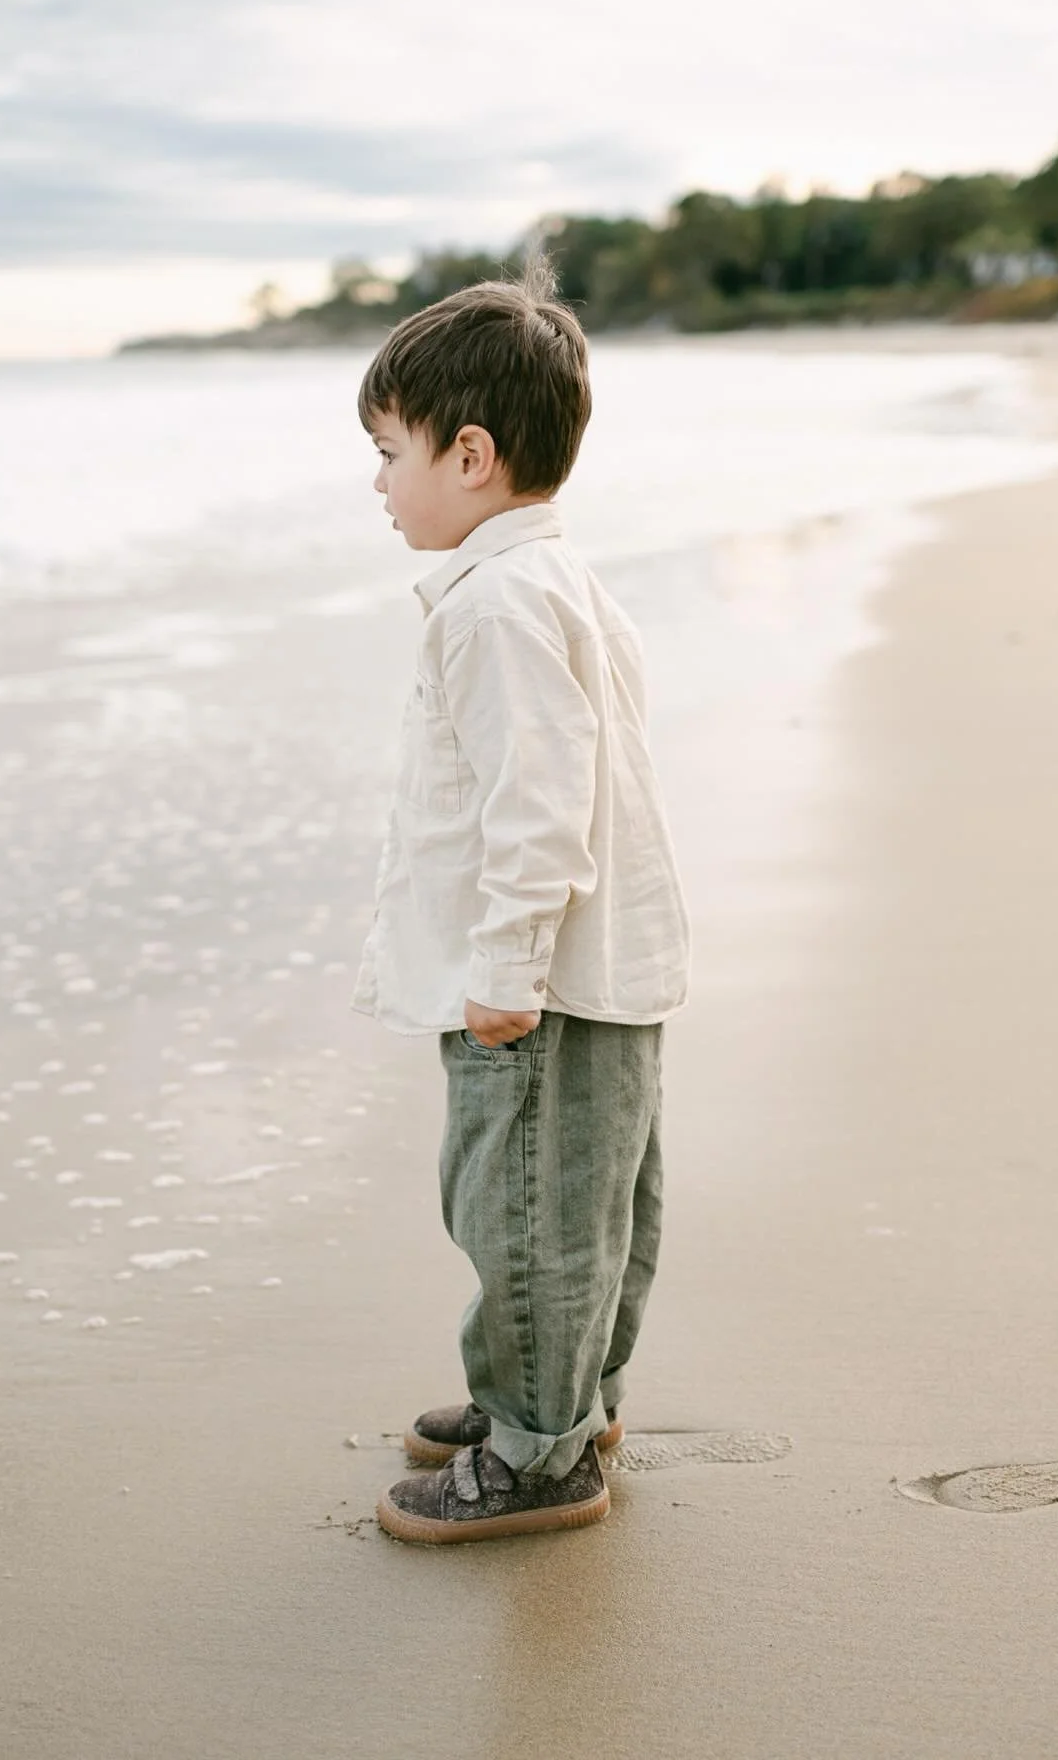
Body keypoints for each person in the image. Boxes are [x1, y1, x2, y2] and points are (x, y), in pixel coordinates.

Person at [352, 258, 690, 1544]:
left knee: (525, 1208)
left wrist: (505, 964)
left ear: (472, 455)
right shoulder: (561, 580)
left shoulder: (494, 603)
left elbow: (536, 803)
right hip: (603, 965)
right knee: (592, 1201)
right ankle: (562, 1403)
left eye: (390, 453)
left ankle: (540, 1454)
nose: (378, 485)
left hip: (539, 985)